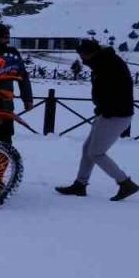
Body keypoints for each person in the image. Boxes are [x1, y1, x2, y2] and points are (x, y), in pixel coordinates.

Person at [55, 39, 137, 201]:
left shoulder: (108, 65)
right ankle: (80, 185)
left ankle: (125, 183)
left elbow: (115, 90)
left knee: (96, 153)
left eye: (82, 55)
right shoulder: (102, 62)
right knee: (88, 149)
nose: (82, 59)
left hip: (115, 115)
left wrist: (106, 109)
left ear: (90, 53)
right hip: (108, 113)